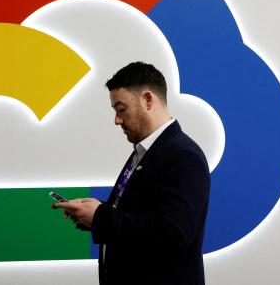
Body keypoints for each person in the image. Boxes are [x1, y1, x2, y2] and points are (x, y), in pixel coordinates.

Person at [53, 61, 211, 285]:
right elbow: (141, 213)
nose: (116, 120)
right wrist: (92, 212)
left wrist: (101, 217)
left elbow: (172, 235)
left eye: (121, 109)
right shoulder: (147, 151)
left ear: (147, 100)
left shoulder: (183, 155)